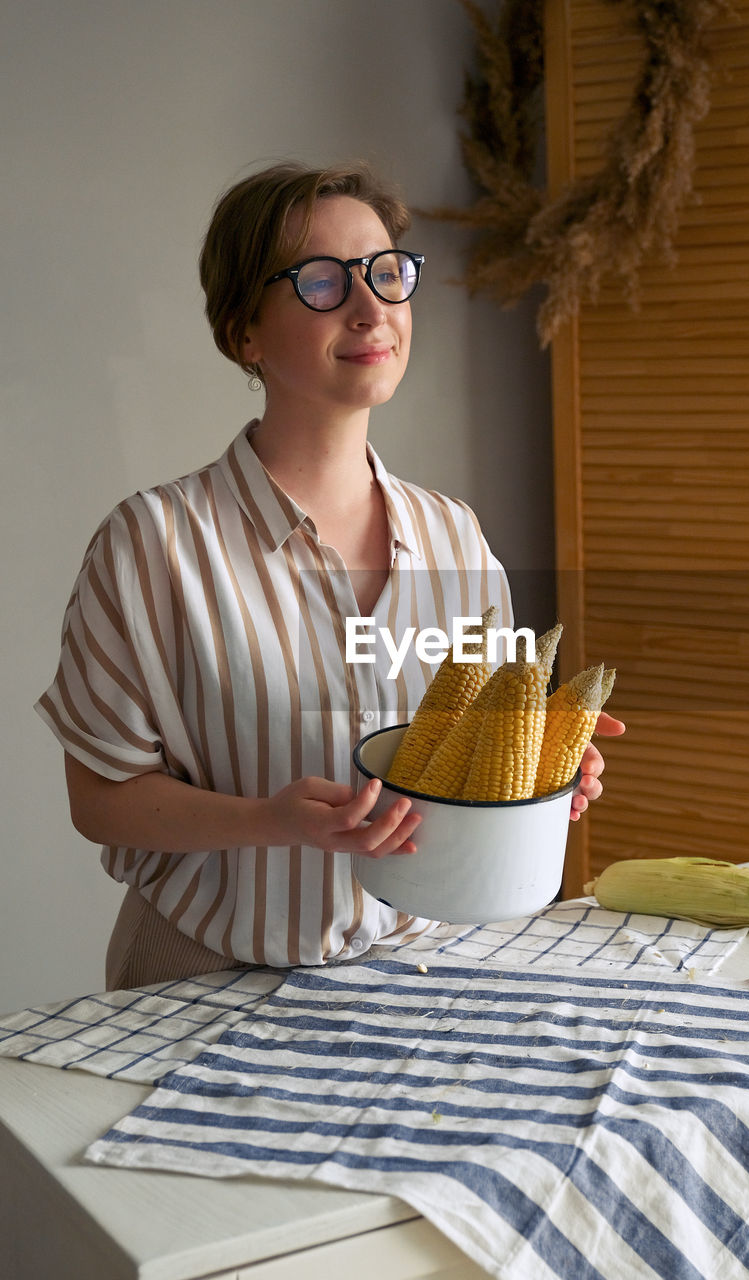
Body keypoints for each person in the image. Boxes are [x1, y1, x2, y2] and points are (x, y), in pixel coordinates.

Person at [36, 161, 624, 990]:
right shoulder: (152, 545)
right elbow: (99, 797)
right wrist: (266, 821)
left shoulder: (457, 539)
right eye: (321, 281)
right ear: (245, 331)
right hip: (202, 980)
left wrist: (540, 779)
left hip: (412, 974)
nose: (371, 308)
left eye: (387, 274)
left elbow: (465, 773)